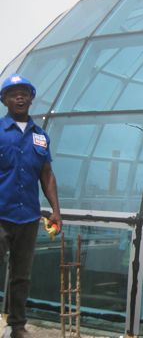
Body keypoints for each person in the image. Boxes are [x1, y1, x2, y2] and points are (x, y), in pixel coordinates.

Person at [0, 74, 62, 338]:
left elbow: (46, 174)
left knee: (21, 276)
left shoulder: (40, 136)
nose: (20, 97)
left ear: (31, 98)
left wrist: (56, 210)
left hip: (28, 217)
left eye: (24, 93)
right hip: (1, 215)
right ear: (4, 100)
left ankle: (18, 326)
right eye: (14, 94)